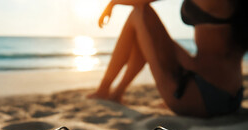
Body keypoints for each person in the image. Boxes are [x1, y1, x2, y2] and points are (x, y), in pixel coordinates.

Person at [88, 0, 247, 117]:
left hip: (203, 96)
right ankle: (116, 93)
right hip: (232, 95)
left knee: (139, 12)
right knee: (147, 30)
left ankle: (104, 89)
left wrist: (113, 3)